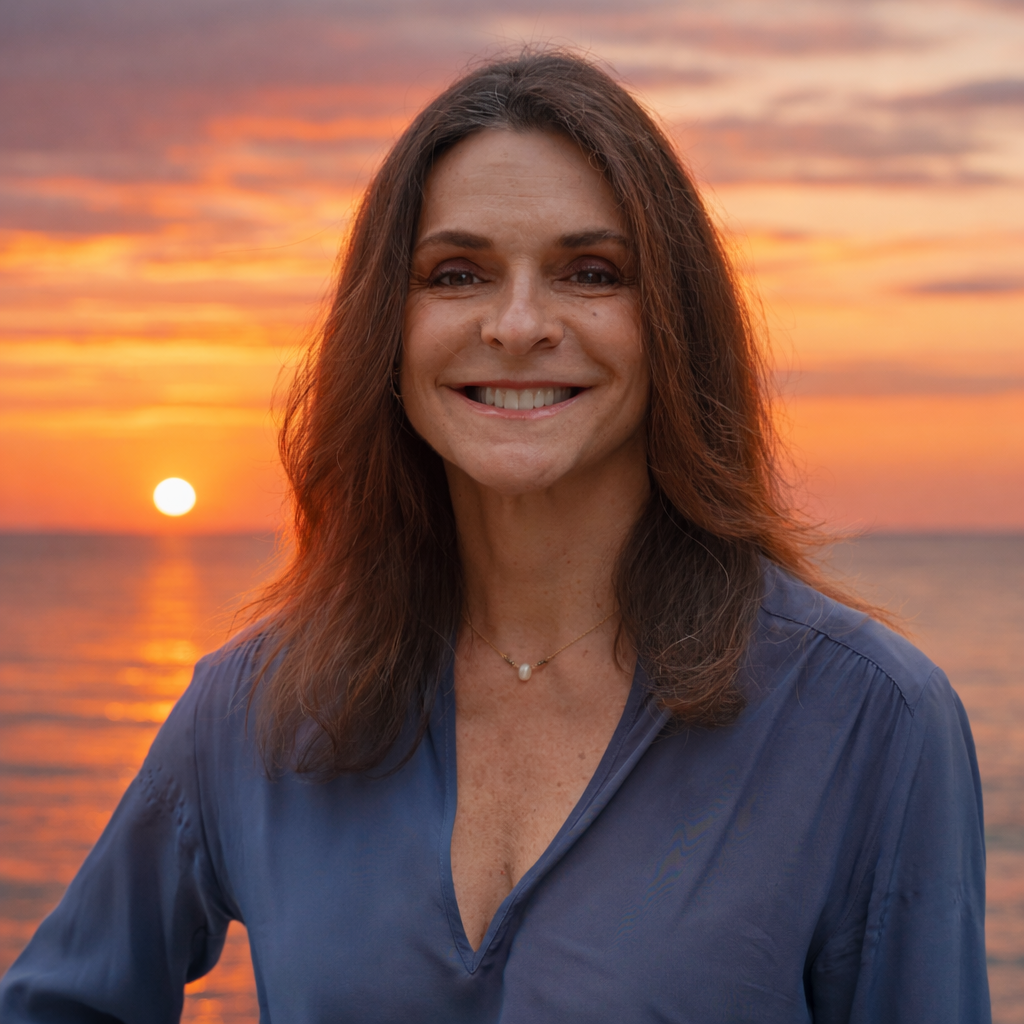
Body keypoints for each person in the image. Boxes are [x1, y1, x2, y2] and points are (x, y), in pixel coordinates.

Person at [0, 50, 989, 1023]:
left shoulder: (872, 721)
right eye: (457, 273)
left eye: (590, 272)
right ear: (387, 325)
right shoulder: (252, 710)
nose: (518, 325)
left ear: (673, 325)